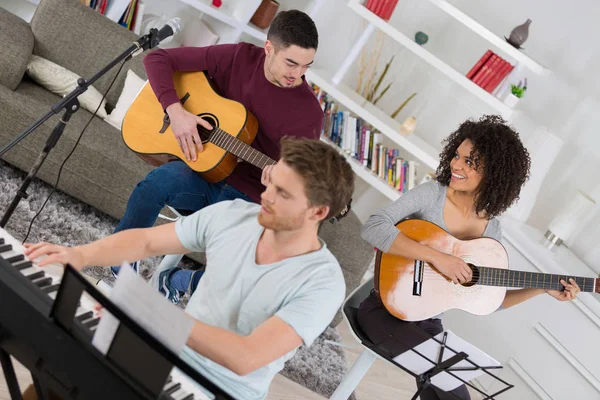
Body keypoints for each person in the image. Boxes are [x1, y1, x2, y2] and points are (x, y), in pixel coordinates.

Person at [24, 137, 355, 400]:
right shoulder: (233, 216)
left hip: (223, 389)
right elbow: (147, 242)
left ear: (318, 212)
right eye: (271, 183)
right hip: (168, 351)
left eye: (282, 193)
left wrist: (150, 312)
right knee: (59, 368)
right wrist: (80, 255)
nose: (266, 196)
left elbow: (246, 357)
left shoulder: (322, 283)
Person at [357, 115, 581, 400]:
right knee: (443, 380)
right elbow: (373, 227)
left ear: (494, 173)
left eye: (469, 162)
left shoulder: (492, 230)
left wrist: (541, 288)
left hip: (428, 325)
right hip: (385, 312)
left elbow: (490, 301)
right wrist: (438, 258)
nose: (456, 165)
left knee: (456, 396)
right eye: (457, 156)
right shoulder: (432, 196)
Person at [108, 9, 324, 291]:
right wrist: (176, 113)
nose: (297, 75)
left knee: (245, 272)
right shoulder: (239, 57)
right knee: (155, 184)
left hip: (247, 200)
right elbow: (158, 58)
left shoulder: (309, 115)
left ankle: (176, 280)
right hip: (202, 174)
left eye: (306, 66)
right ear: (268, 48)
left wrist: (284, 183)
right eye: (291, 63)